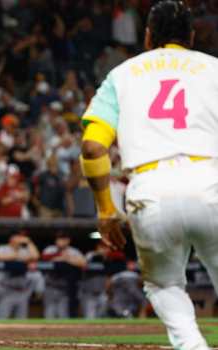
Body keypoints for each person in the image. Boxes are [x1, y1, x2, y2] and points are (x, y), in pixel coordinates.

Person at [80, 2, 218, 349]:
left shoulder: (122, 74)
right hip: (210, 181)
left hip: (150, 190)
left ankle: (192, 346)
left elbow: (93, 148)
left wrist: (106, 210)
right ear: (191, 36)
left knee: (165, 285)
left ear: (147, 37)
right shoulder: (213, 69)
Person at [0, 231, 39, 319]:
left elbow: (35, 256)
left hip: (22, 291)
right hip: (5, 290)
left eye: (22, 237)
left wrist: (29, 242)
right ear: (12, 238)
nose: (21, 239)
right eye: (18, 237)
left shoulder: (24, 250)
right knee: (1, 318)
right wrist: (19, 257)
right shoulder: (2, 248)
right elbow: (0, 257)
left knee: (21, 319)